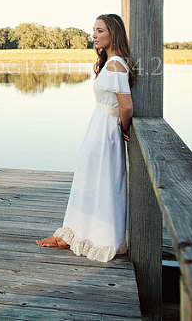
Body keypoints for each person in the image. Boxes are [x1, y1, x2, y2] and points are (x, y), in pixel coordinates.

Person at [36, 13, 135, 262]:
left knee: (103, 182)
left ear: (114, 34)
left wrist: (122, 127)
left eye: (100, 31)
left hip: (106, 131)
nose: (94, 36)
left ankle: (100, 237)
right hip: (98, 127)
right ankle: (75, 232)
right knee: (89, 179)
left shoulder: (116, 65)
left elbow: (126, 106)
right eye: (94, 30)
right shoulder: (110, 63)